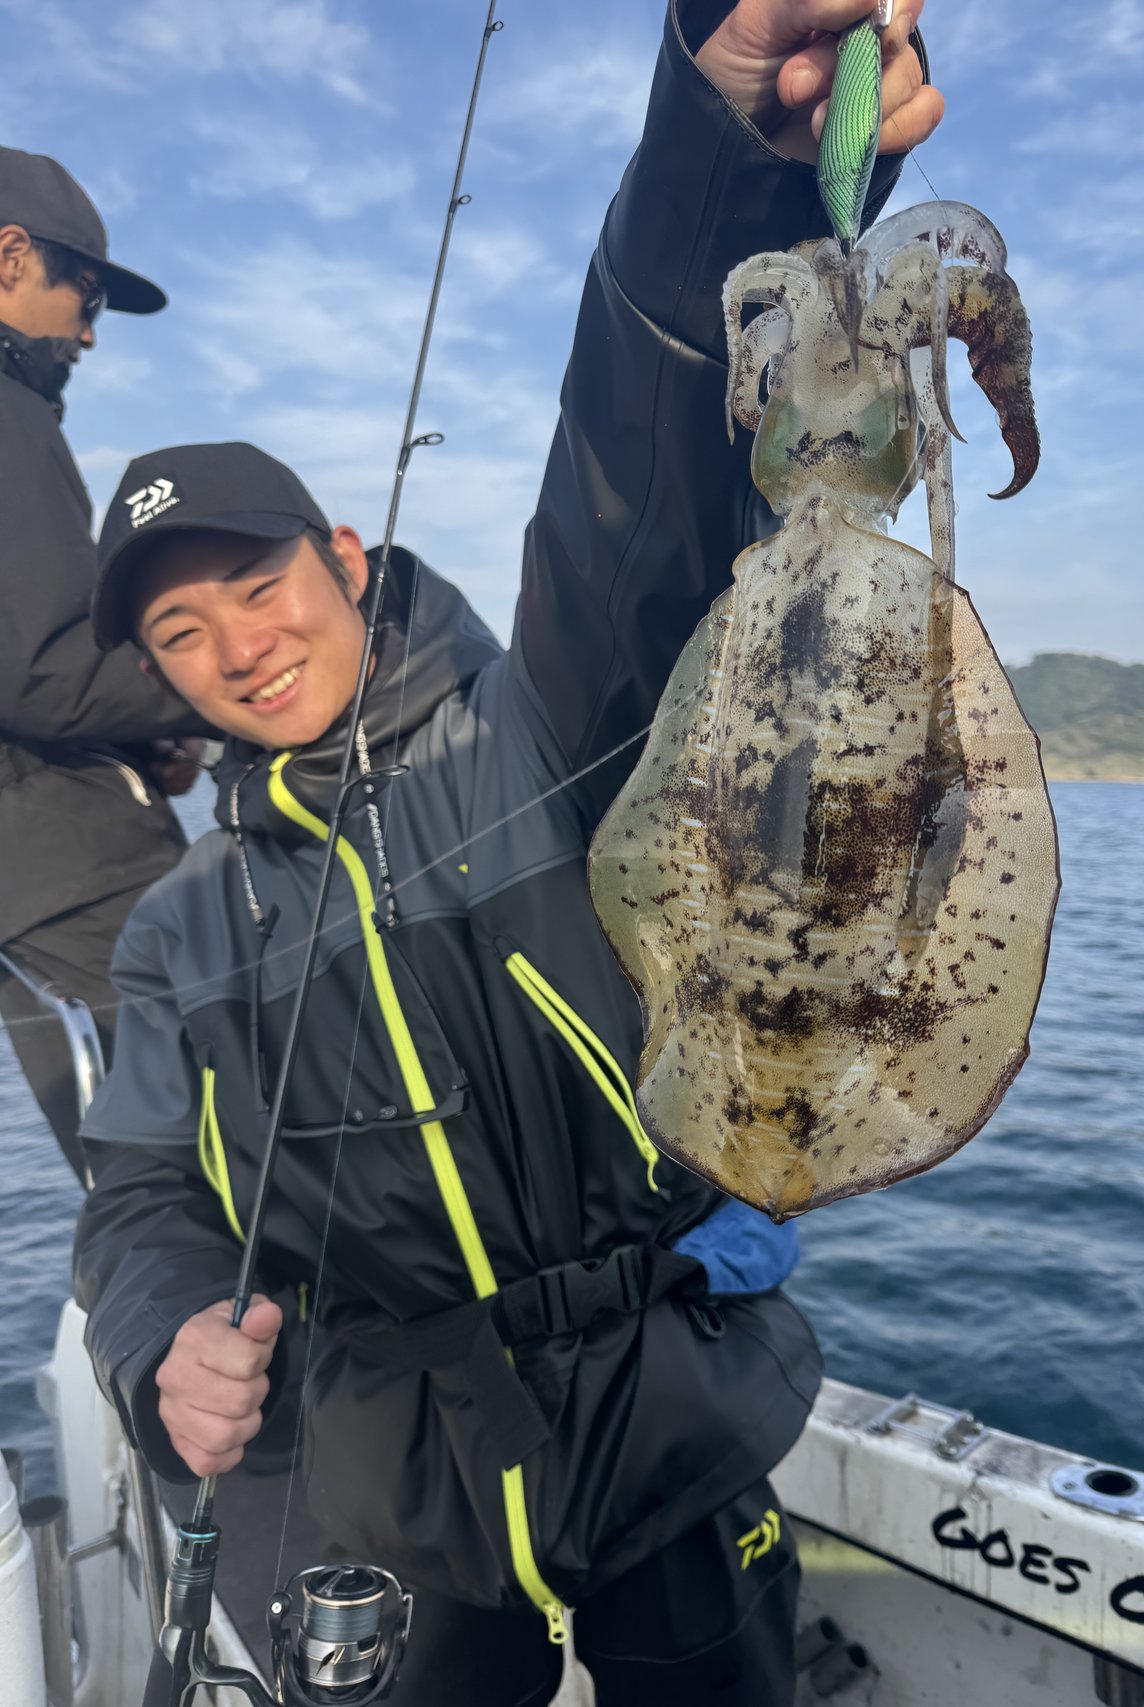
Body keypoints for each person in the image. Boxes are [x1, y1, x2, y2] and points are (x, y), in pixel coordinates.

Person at [74, 2, 943, 1701]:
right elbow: (143, 1199)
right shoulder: (178, 929)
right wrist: (156, 1334)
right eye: (181, 632)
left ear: (342, 554)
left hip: (669, 1424)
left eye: (256, 585)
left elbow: (637, 479)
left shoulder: (551, 716)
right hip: (401, 1500)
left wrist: (720, 155)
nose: (238, 646)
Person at [0, 145, 205, 1185]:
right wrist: (207, 691)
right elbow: (41, 670)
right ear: (10, 257)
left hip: (30, 889)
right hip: (76, 879)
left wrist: (140, 725)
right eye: (83, 294)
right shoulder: (7, 409)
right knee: (199, 1165)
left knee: (135, 1176)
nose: (87, 332)